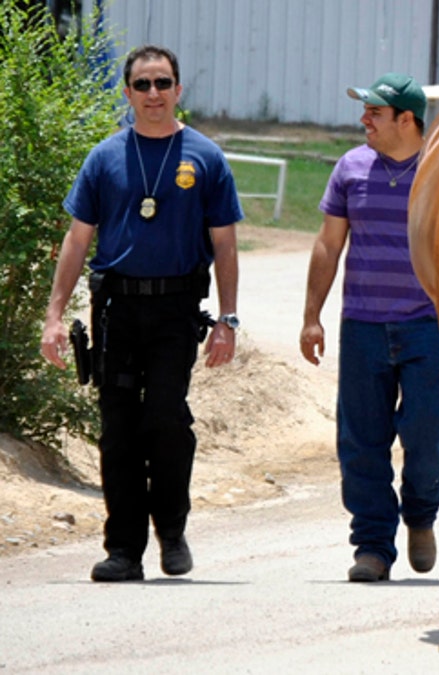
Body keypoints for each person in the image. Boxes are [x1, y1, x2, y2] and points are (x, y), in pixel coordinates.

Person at [40, 44, 243, 582]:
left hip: (177, 309)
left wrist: (228, 319)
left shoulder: (205, 157)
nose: (154, 93)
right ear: (127, 92)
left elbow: (225, 244)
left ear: (179, 90)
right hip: (117, 311)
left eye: (163, 83)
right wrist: (54, 316)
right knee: (119, 429)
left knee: (167, 422)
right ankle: (124, 550)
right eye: (143, 84)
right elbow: (77, 240)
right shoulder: (104, 158)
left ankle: (171, 530)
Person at [300, 73, 439, 582]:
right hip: (362, 325)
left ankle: (422, 513)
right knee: (361, 440)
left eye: (375, 113)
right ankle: (372, 546)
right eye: (365, 111)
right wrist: (311, 316)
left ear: (406, 119)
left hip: (429, 327)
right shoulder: (351, 168)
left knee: (428, 435)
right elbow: (328, 244)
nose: (364, 119)